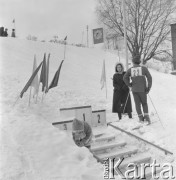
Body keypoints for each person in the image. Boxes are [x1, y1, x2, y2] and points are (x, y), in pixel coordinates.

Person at [123, 54, 152, 124]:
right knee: (144, 103)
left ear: (133, 62)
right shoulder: (144, 68)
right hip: (143, 89)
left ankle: (141, 118)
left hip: (134, 90)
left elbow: (124, 78)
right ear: (139, 62)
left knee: (137, 104)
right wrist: (149, 87)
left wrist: (129, 84)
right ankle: (147, 117)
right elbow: (149, 78)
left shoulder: (130, 69)